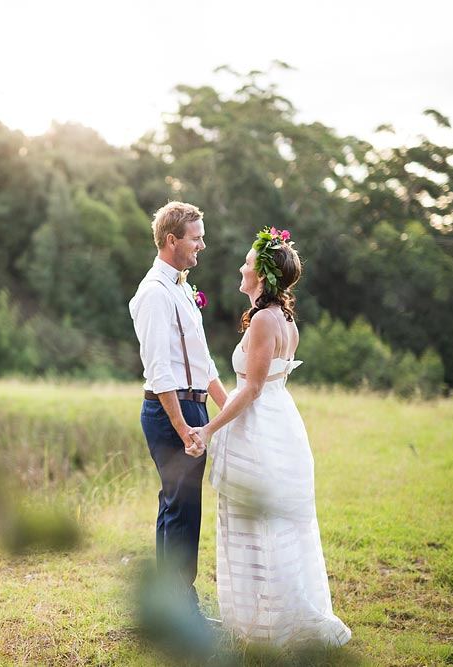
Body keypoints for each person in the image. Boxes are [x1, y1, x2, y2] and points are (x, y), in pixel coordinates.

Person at [191, 227, 351, 646]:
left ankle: (267, 628)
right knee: (272, 524)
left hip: (262, 429)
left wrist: (208, 428)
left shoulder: (264, 319)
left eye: (247, 262)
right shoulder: (283, 319)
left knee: (259, 522)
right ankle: (268, 621)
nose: (241, 267)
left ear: (261, 275)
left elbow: (253, 387)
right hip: (280, 423)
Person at [129, 201, 228, 619]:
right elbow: (160, 370)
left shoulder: (182, 288)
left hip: (194, 409)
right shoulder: (154, 293)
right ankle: (181, 607)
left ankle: (172, 602)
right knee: (181, 509)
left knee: (178, 506)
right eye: (196, 237)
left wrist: (232, 408)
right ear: (172, 241)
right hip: (172, 414)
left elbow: (201, 361)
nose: (202, 244)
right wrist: (184, 426)